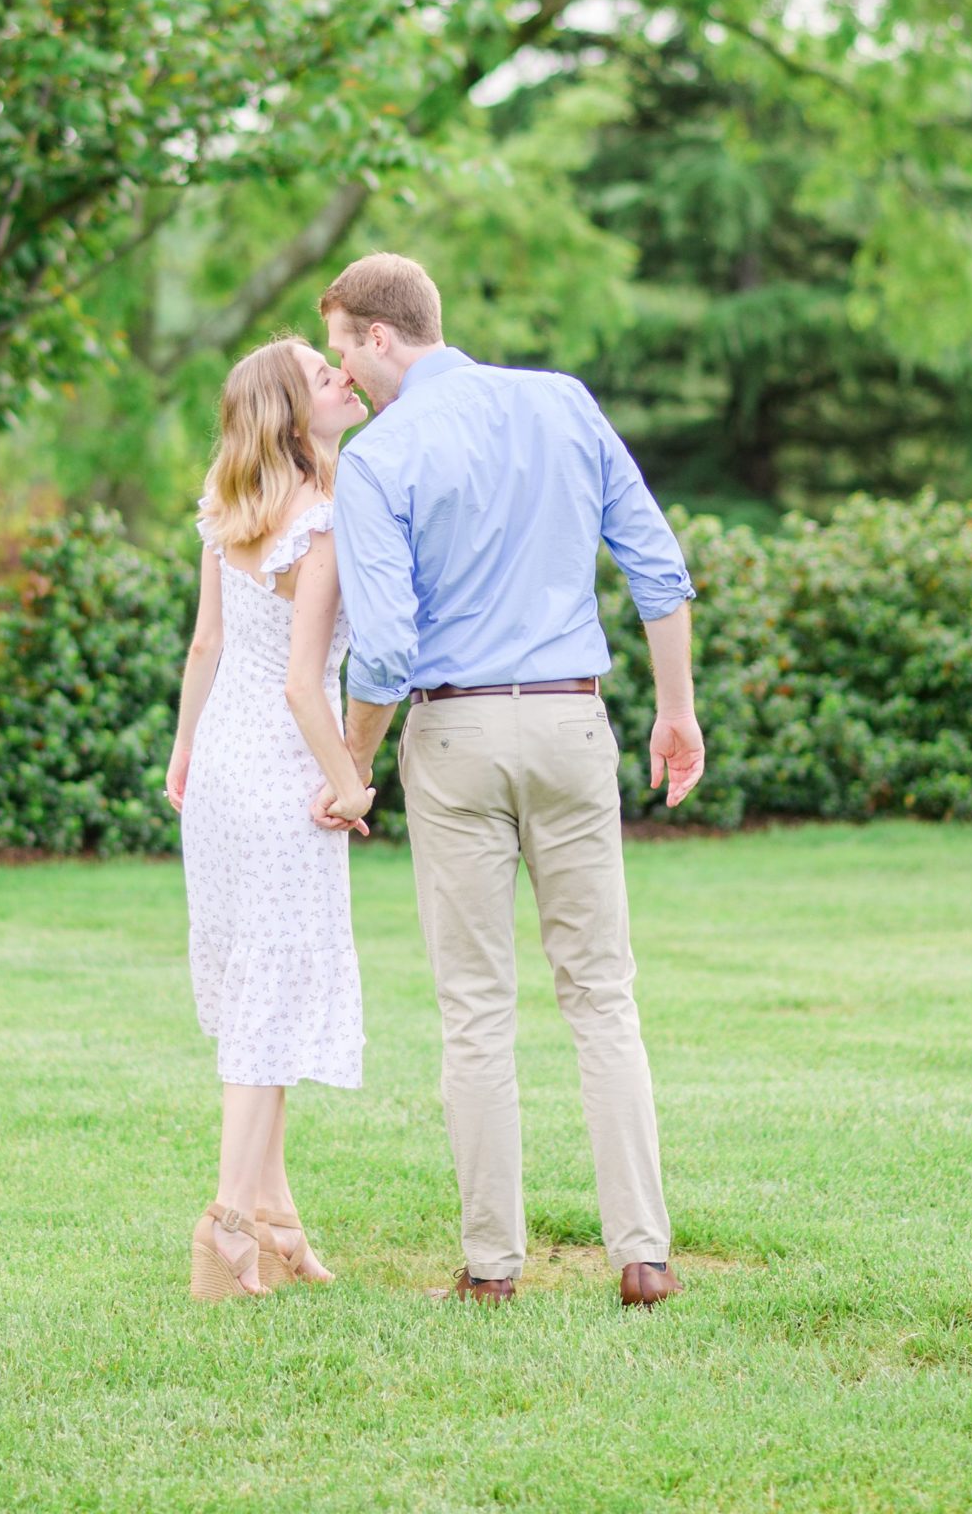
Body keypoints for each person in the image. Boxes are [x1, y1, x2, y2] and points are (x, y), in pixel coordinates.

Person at [316, 252, 705, 1310]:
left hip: (454, 735)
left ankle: (491, 1267)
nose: (341, 373)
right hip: (574, 720)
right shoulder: (562, 403)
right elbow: (656, 566)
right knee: (601, 993)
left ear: (381, 336)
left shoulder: (378, 458)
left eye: (343, 346)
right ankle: (644, 1253)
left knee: (476, 1007)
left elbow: (386, 649)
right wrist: (674, 710)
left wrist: (352, 764)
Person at [164, 336, 373, 1300]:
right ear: (291, 413)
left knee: (261, 984)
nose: (340, 377)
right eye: (319, 373)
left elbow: (205, 645)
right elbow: (304, 685)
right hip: (282, 774)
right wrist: (353, 782)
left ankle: (278, 1217)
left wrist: (182, 751)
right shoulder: (321, 521)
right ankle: (228, 1224)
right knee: (271, 991)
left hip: (218, 774)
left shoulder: (226, 508)